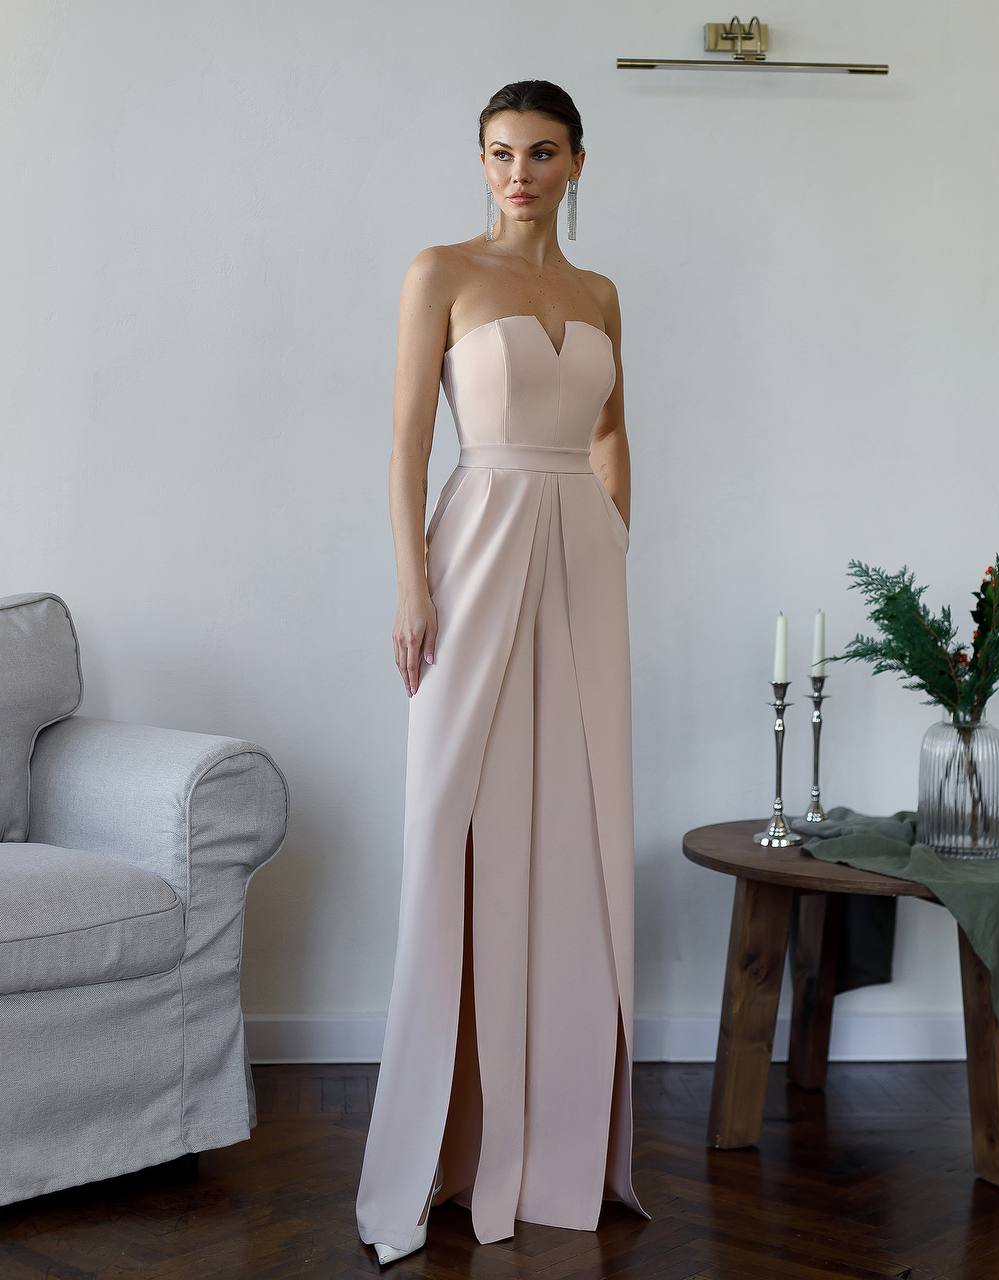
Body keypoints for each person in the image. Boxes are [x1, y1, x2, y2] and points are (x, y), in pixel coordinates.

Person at [355, 78, 650, 1267]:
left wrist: (614, 529)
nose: (515, 173)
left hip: (582, 565)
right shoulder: (441, 270)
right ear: (480, 164)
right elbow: (405, 442)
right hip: (471, 547)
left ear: (577, 162)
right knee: (450, 825)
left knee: (572, 831)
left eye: (538, 153)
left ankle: (554, 1141)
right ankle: (443, 1149)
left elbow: (614, 426)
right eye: (496, 153)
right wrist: (412, 582)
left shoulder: (600, 294)